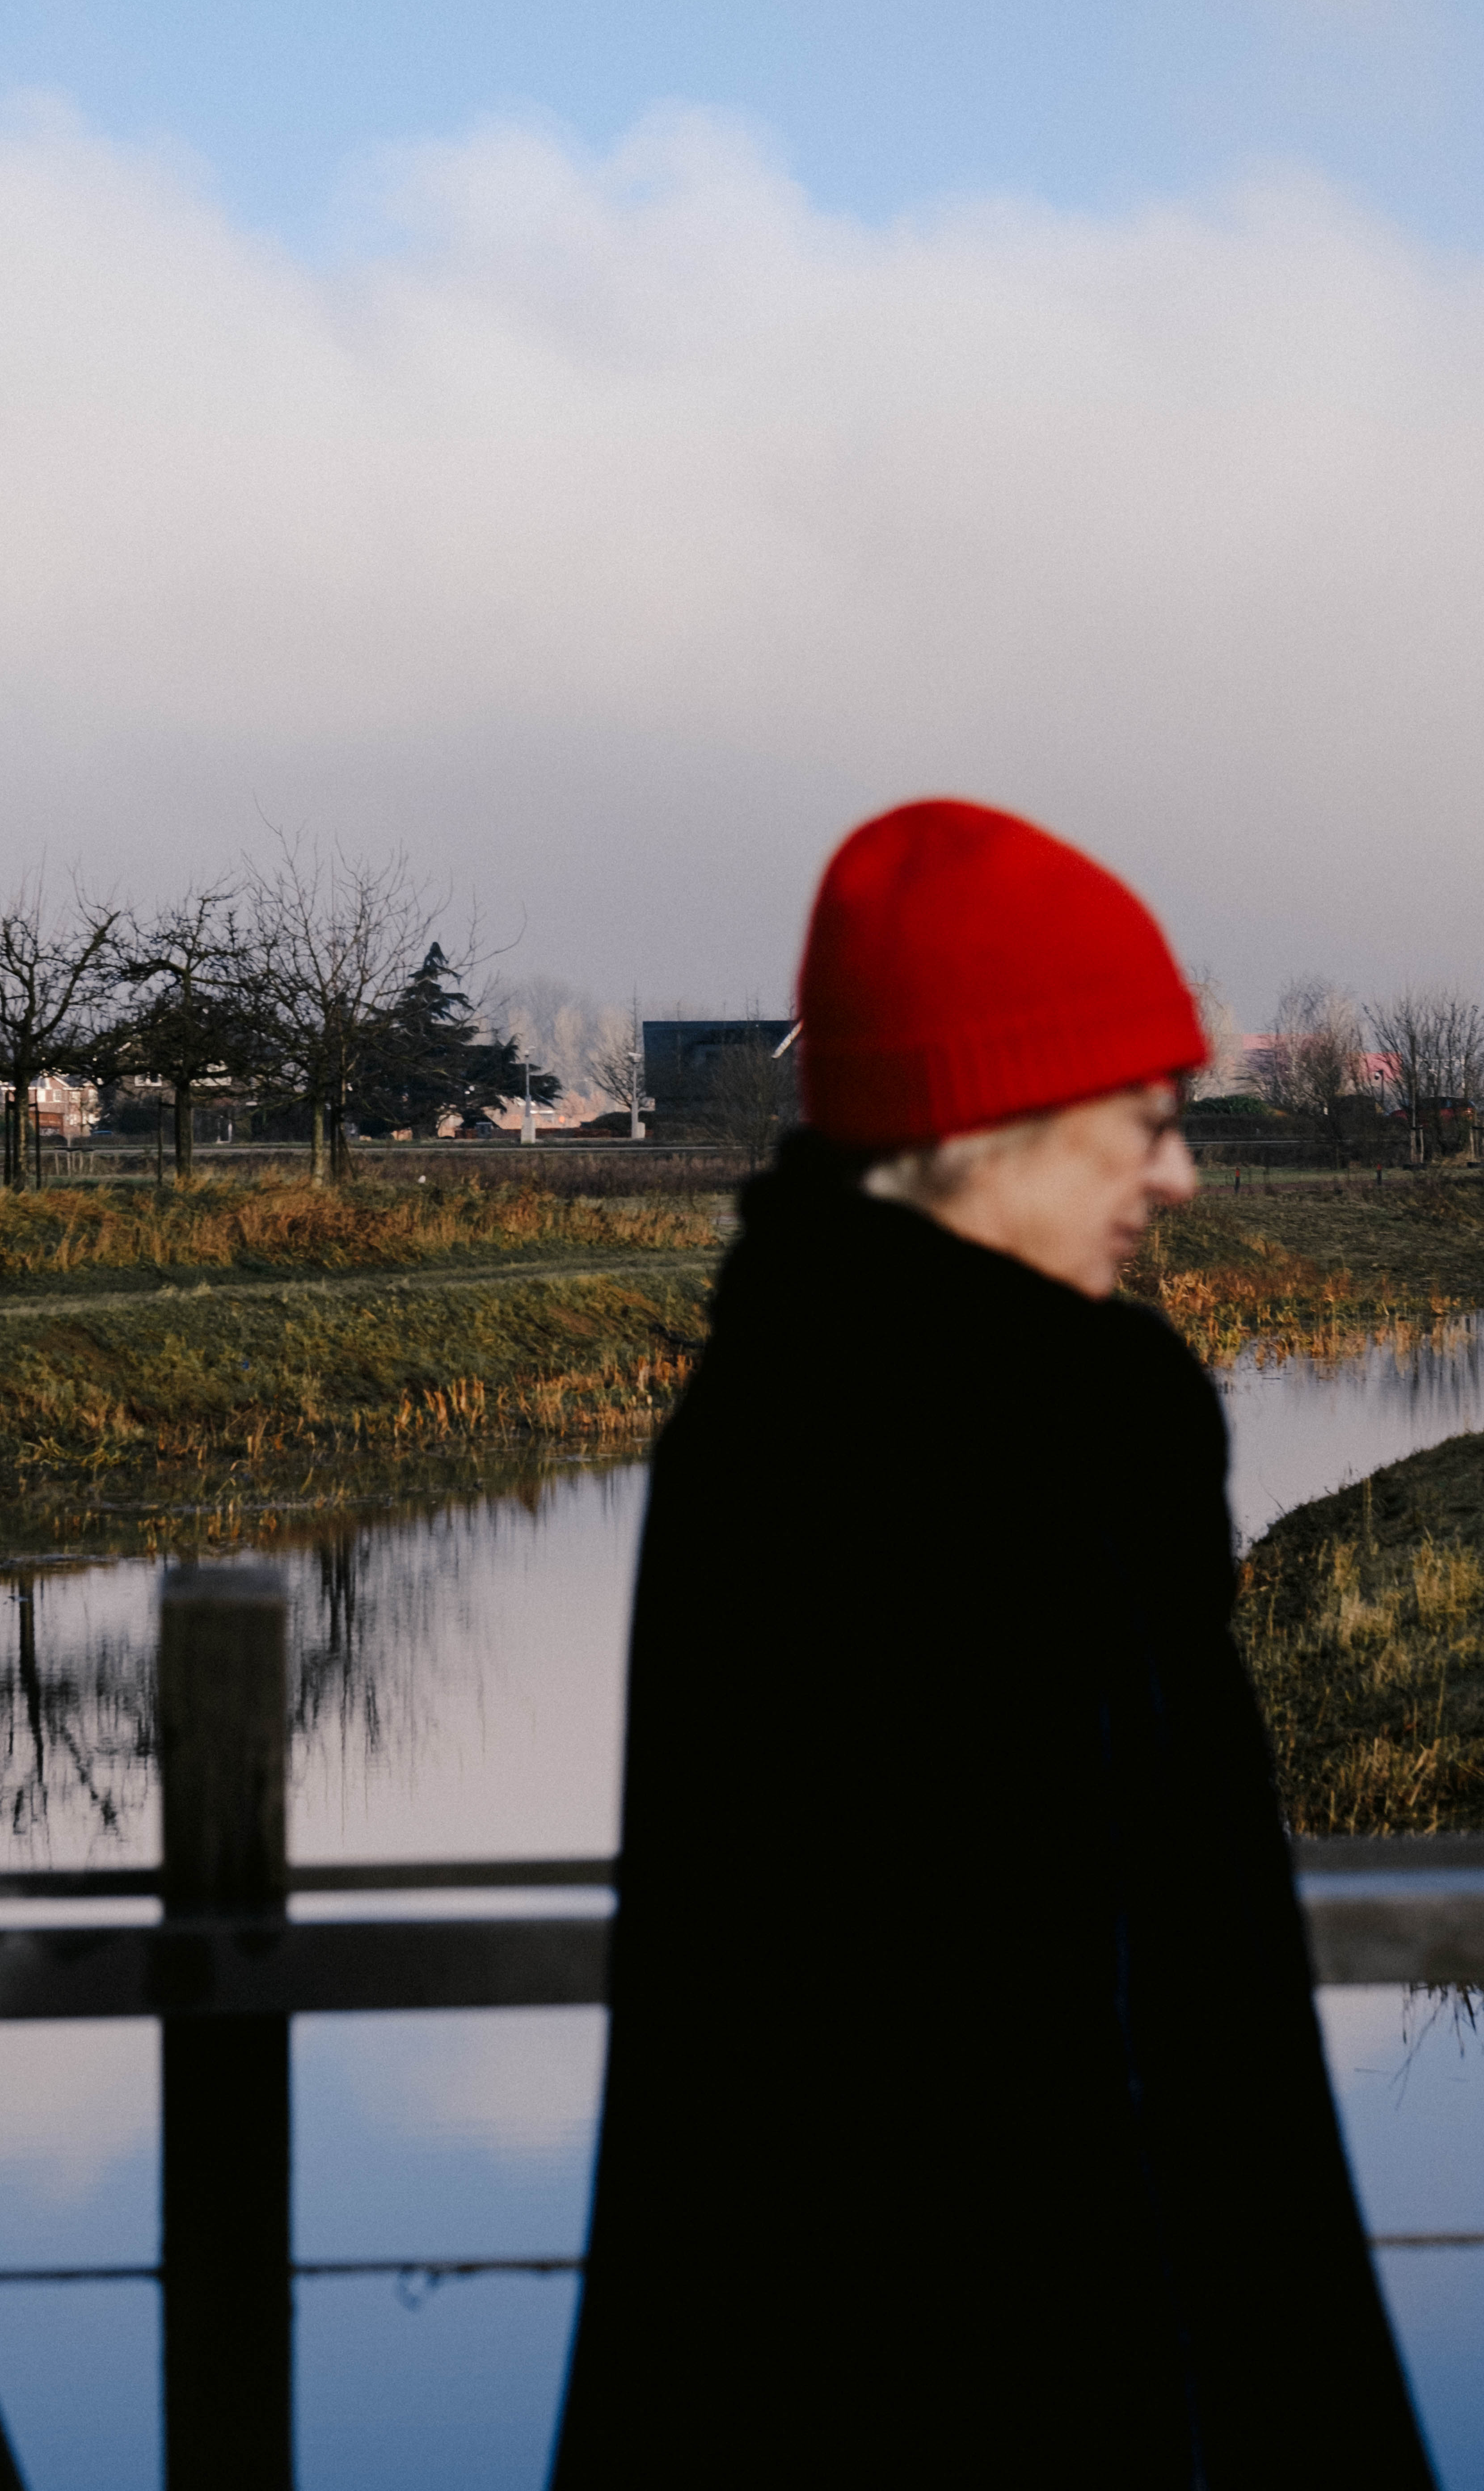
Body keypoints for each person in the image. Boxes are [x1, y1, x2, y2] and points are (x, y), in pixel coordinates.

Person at [551, 800, 1431, 2488]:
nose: (1178, 1172)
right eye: (1141, 1115)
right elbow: (1050, 2101)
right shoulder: (974, 1458)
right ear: (993, 1122)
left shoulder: (818, 1408)